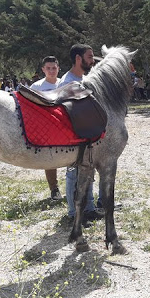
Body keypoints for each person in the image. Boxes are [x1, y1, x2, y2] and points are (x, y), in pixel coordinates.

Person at [60, 44, 104, 223]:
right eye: (90, 57)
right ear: (78, 59)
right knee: (73, 174)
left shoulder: (85, 79)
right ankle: (73, 214)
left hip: (87, 134)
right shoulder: (67, 82)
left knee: (88, 170)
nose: (92, 60)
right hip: (72, 136)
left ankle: (89, 208)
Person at [31, 55, 63, 200]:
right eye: (48, 68)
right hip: (46, 128)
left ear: (58, 68)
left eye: (54, 68)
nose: (51, 71)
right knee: (50, 158)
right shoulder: (36, 87)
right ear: (43, 69)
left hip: (65, 125)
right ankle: (54, 189)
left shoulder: (65, 83)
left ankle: (74, 187)